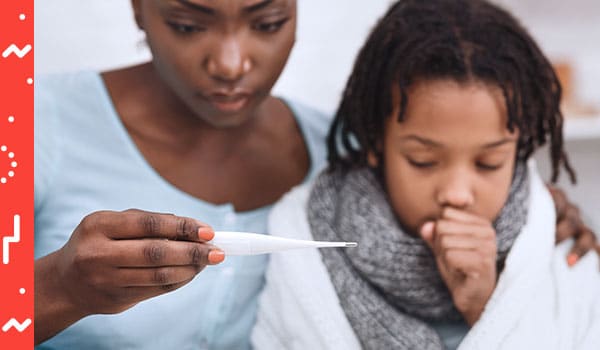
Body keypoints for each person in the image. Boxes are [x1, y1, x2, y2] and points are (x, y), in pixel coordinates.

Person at [34, 0, 596, 349]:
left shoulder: (344, 154)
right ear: (138, 8)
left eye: (268, 20)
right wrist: (59, 288)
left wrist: (538, 217)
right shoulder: (30, 123)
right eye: (187, 23)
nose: (231, 62)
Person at [252, 1, 600, 349]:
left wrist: (485, 306)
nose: (457, 193)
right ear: (375, 141)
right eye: (423, 160)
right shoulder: (304, 242)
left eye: (489, 163)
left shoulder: (559, 246)